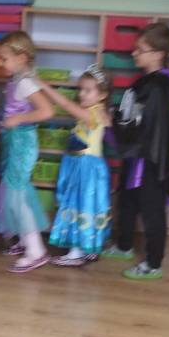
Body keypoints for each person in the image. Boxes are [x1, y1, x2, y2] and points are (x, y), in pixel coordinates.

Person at [105, 22, 169, 280]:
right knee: (127, 200)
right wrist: (117, 119)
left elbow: (146, 124)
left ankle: (153, 263)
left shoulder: (158, 86)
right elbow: (135, 115)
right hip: (138, 152)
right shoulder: (148, 82)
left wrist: (113, 122)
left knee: (152, 210)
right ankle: (124, 245)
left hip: (151, 157)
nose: (134, 53)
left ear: (157, 54)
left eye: (140, 49)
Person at [36, 64, 112, 266]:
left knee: (80, 205)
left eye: (88, 90)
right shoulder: (94, 111)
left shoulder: (94, 114)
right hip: (81, 165)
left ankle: (77, 251)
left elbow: (67, 105)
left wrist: (42, 84)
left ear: (102, 95)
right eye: (81, 89)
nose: (81, 94)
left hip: (86, 167)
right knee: (87, 206)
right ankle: (89, 247)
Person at [0, 31, 54, 273]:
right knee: (13, 192)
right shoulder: (17, 80)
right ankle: (24, 240)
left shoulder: (25, 82)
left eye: (4, 59)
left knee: (18, 195)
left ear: (21, 58)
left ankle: (36, 251)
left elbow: (46, 111)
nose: (0, 63)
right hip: (15, 142)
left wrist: (18, 118)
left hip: (22, 143)